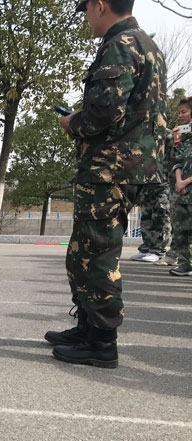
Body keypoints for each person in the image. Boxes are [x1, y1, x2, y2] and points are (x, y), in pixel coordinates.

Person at [46, 0, 167, 369]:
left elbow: (104, 112)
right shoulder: (146, 44)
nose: (85, 17)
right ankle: (87, 328)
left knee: (97, 254)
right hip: (125, 167)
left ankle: (101, 342)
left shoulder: (121, 44)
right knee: (83, 251)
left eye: (86, 8)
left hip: (110, 169)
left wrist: (71, 123)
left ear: (100, 5)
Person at [168, 97, 192, 275]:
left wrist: (186, 181)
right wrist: (179, 181)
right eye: (179, 112)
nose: (180, 115)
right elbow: (177, 160)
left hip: (188, 184)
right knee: (180, 229)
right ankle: (185, 263)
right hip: (181, 190)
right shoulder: (182, 136)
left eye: (184, 112)